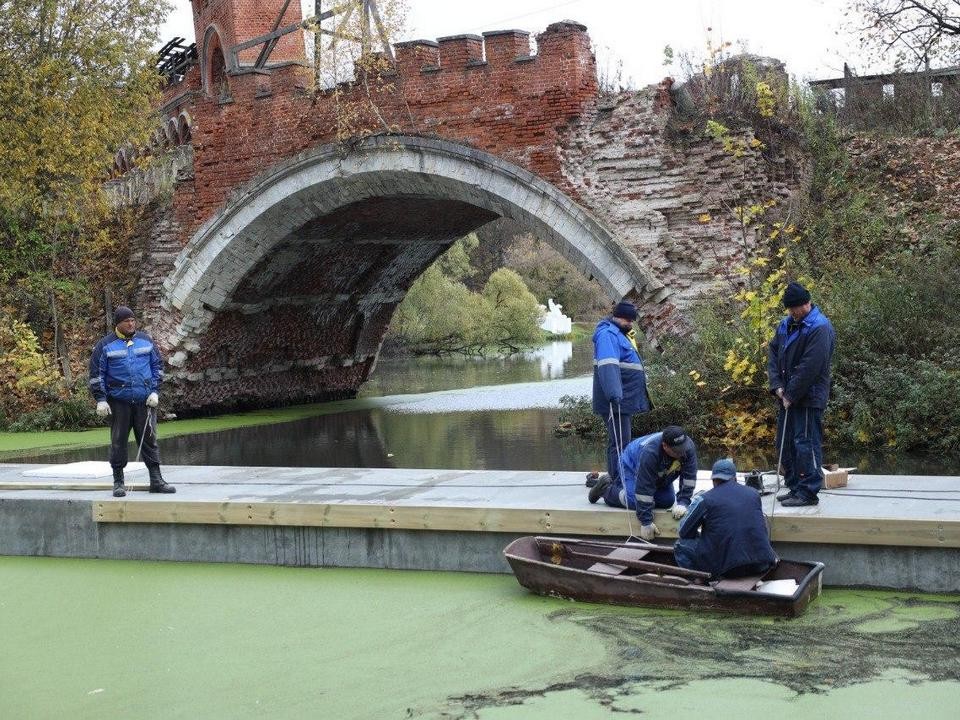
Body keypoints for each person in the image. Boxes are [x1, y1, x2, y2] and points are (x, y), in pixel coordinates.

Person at [88, 305, 175, 497]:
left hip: (145, 401)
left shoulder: (145, 340)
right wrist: (101, 399)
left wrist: (155, 391)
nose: (131, 324)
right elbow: (96, 374)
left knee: (149, 441)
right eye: (127, 321)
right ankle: (118, 482)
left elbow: (157, 366)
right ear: (118, 324)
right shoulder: (105, 346)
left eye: (133, 320)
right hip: (118, 401)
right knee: (118, 442)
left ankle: (157, 480)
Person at [767, 282, 835, 507]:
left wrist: (791, 394)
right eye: (789, 309)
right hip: (786, 395)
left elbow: (811, 366)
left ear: (806, 303)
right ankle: (794, 485)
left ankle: (808, 492)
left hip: (808, 397)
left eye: (795, 308)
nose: (792, 313)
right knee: (784, 444)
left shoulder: (819, 327)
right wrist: (777, 385)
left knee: (805, 443)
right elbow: (773, 352)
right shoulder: (786, 325)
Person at [588, 426, 697, 541]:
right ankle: (606, 490)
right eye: (677, 451)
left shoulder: (687, 447)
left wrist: (683, 502)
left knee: (667, 501)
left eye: (683, 449)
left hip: (661, 473)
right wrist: (646, 521)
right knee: (633, 500)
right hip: (630, 465)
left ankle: (623, 486)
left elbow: (689, 477)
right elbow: (643, 491)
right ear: (665, 446)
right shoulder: (650, 453)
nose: (682, 453)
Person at [674, 458, 777, 579]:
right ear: (734, 478)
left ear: (713, 479)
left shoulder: (704, 499)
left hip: (730, 570)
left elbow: (684, 532)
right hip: (762, 564)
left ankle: (701, 581)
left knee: (681, 545)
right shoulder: (753, 493)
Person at [590, 300, 652, 490]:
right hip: (616, 400)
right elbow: (608, 365)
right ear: (619, 317)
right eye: (628, 320)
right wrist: (614, 394)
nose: (631, 324)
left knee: (621, 441)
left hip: (623, 399)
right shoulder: (608, 335)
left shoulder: (619, 334)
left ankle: (618, 477)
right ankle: (619, 481)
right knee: (619, 443)